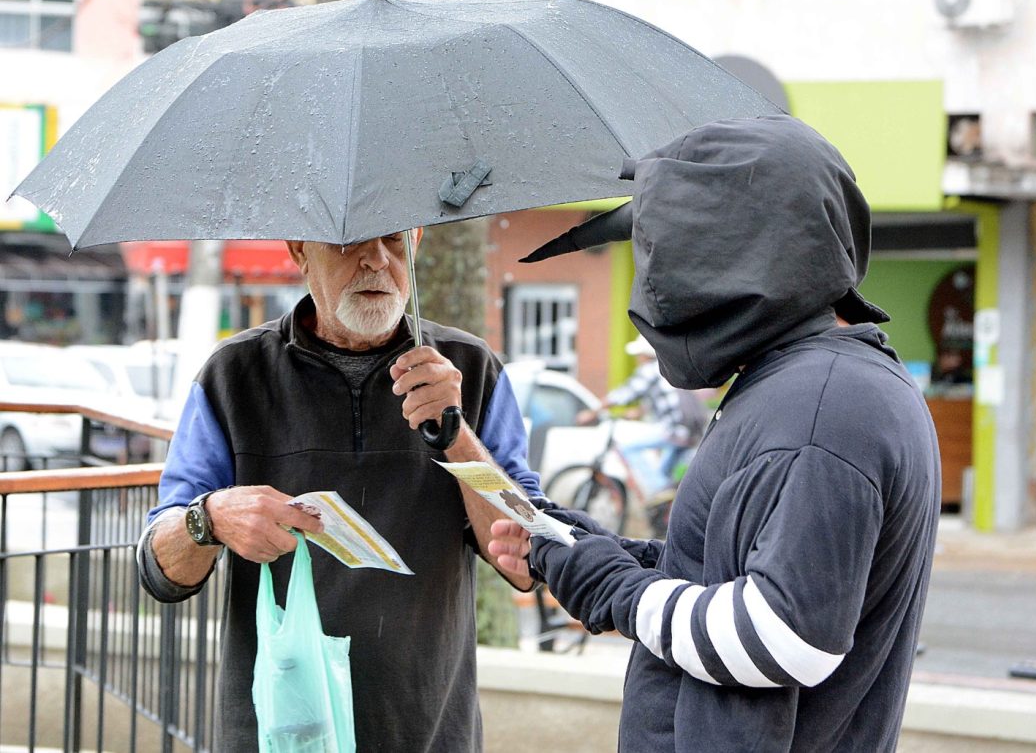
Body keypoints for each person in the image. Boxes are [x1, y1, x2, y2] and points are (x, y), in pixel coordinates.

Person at [492, 115, 941, 751]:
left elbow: (785, 638)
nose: (656, 287)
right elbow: (731, 577)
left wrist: (615, 588)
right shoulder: (812, 386)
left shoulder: (822, 408)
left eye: (667, 251)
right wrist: (599, 553)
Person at [136, 228, 541, 752]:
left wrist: (457, 435)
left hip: (429, 731)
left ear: (415, 245)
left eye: (395, 241)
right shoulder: (235, 374)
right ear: (299, 250)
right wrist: (209, 517)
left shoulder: (469, 369)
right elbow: (158, 569)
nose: (376, 260)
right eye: (351, 241)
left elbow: (524, 556)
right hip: (278, 732)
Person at [578, 335, 704, 497]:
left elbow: (624, 394)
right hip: (691, 430)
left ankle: (658, 491)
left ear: (645, 354)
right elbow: (661, 400)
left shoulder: (651, 369)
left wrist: (592, 413)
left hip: (674, 429)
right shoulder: (667, 369)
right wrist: (636, 413)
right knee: (664, 475)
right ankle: (663, 508)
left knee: (627, 448)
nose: (638, 358)